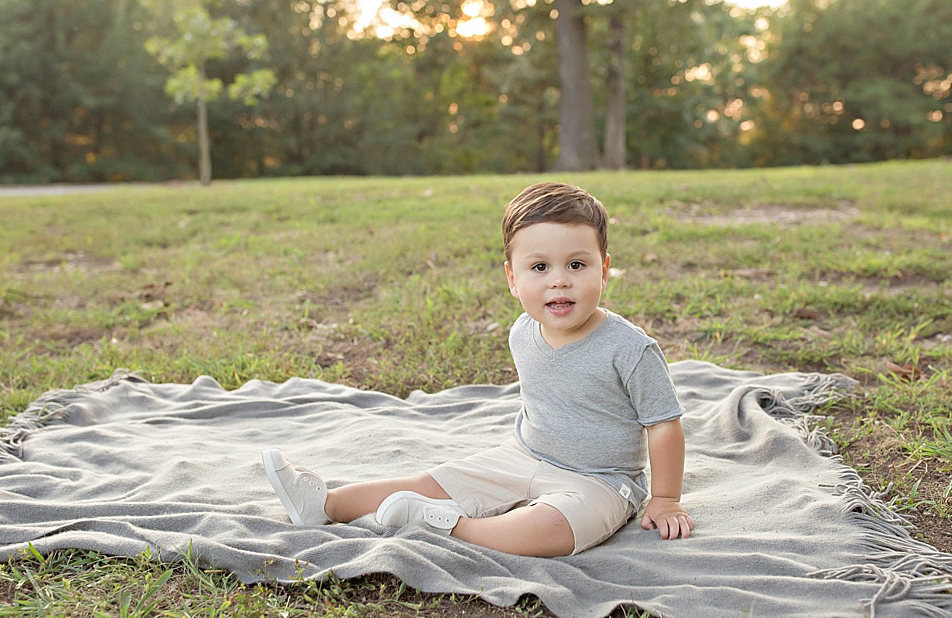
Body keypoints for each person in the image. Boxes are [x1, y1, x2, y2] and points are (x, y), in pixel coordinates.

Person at [263, 182, 692, 557]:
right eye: (539, 267)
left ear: (605, 269)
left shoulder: (631, 349)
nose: (558, 280)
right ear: (512, 278)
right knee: (432, 480)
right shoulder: (523, 332)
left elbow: (664, 425)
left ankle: (451, 526)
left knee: (552, 529)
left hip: (600, 480)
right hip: (522, 456)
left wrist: (666, 498)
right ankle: (324, 503)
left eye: (576, 265)